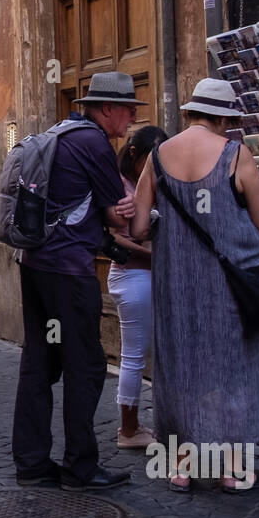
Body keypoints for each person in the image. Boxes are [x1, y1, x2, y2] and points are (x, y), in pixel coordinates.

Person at [131, 78, 259, 493]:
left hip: (176, 288)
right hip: (230, 287)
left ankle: (181, 465)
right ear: (223, 119)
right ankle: (233, 469)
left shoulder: (157, 157)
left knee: (180, 366)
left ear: (191, 113)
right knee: (234, 367)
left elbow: (138, 229)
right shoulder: (235, 155)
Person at [12, 71, 141, 491]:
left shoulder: (61, 133)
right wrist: (129, 207)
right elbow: (114, 216)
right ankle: (81, 466)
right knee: (86, 365)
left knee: (38, 362)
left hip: (35, 262)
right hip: (68, 270)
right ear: (107, 108)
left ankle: (32, 463)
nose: (131, 119)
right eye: (128, 110)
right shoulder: (95, 144)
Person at [107, 125, 167, 449]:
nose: (154, 164)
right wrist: (155, 257)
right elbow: (114, 237)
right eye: (149, 158)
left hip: (150, 275)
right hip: (131, 274)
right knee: (133, 356)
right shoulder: (119, 184)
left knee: (153, 353)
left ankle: (152, 422)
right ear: (133, 154)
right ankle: (128, 429)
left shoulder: (154, 179)